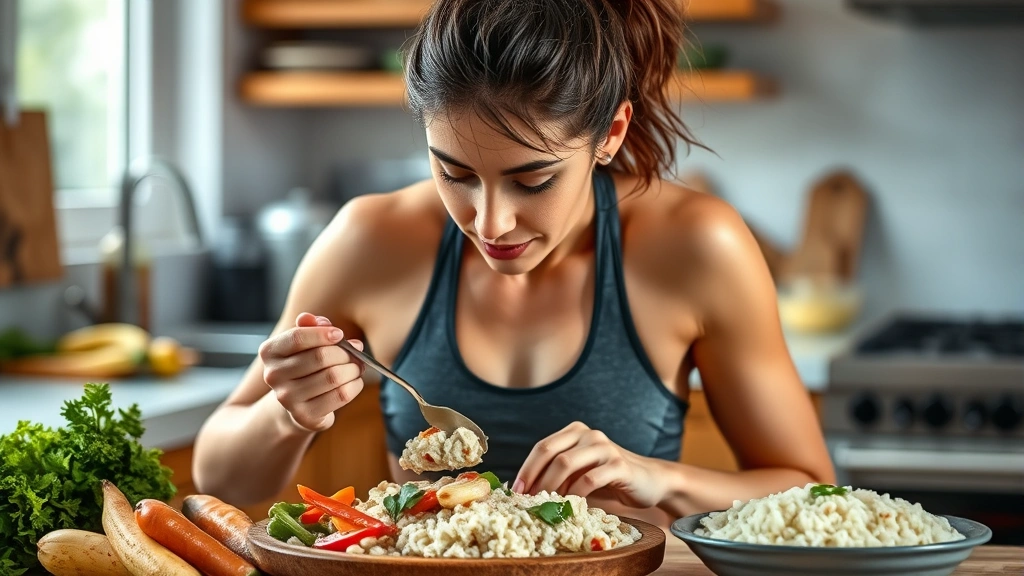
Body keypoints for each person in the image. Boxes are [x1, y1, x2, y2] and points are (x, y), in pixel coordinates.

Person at [193, 0, 834, 527]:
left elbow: (811, 489)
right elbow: (220, 473)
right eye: (454, 173)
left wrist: (657, 478)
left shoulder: (697, 246)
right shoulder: (369, 240)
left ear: (608, 135)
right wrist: (289, 412)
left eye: (534, 181)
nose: (490, 223)